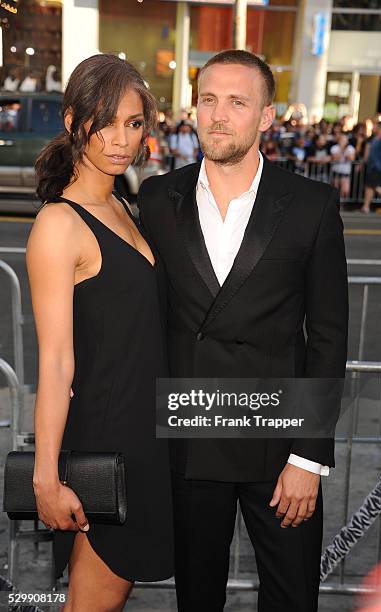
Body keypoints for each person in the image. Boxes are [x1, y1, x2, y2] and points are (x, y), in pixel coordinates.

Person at [138, 49, 348, 612]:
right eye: (208, 99)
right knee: (196, 599)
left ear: (267, 116)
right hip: (190, 435)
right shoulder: (157, 198)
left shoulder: (311, 204)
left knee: (290, 598)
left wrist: (309, 458)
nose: (218, 115)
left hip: (279, 445)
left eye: (237, 101)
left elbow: (328, 337)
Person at [27, 54, 173, 611]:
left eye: (134, 123)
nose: (120, 139)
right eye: (105, 121)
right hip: (105, 445)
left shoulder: (120, 203)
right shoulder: (59, 224)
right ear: (72, 121)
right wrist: (46, 477)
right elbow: (57, 361)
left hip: (145, 438)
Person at [330, 134, 356, 199]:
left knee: (345, 190)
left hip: (345, 172)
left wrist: (345, 151)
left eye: (345, 140)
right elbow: (335, 158)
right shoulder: (334, 147)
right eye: (342, 140)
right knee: (335, 189)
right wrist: (342, 149)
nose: (343, 142)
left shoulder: (351, 148)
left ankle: (342, 204)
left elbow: (351, 158)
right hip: (336, 172)